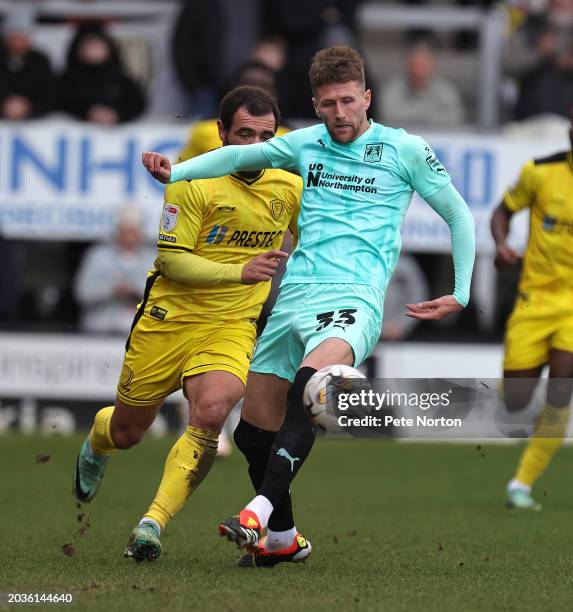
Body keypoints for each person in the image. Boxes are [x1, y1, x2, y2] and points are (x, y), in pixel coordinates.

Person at [142, 45, 475, 565]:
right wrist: (176, 173)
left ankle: (256, 512)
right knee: (253, 431)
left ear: (367, 97)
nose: (339, 114)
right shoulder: (306, 144)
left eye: (347, 101)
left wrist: (462, 290)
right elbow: (234, 156)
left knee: (312, 387)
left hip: (354, 298)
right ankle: (282, 540)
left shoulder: (404, 150)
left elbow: (458, 215)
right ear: (315, 105)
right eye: (327, 104)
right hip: (294, 296)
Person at [72, 86, 303, 563]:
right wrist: (240, 270)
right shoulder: (193, 181)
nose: (254, 146)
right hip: (168, 320)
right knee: (127, 432)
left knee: (214, 411)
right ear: (220, 133)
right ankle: (98, 443)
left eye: (265, 136)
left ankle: (151, 524)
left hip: (232, 323)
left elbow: (321, 237)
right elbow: (172, 262)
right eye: (243, 134)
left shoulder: (289, 186)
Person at [490, 108, 573, 511]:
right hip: (535, 299)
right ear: (570, 133)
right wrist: (503, 244)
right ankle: (528, 410)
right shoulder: (540, 171)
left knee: (563, 381)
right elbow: (502, 212)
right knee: (515, 401)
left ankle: (521, 483)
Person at [74, 207, 156, 334]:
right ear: (117, 231)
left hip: (140, 333)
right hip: (100, 329)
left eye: (132, 231)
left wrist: (136, 292)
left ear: (141, 232)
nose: (128, 236)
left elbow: (162, 297)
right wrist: (112, 289)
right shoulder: (98, 256)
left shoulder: (152, 259)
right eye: (124, 231)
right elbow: (82, 293)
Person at [58, 22, 145, 124]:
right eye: (86, 45)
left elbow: (138, 103)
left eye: (96, 44)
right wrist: (88, 112)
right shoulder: (65, 81)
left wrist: (117, 114)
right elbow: (60, 103)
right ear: (76, 49)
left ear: (108, 48)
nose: (91, 49)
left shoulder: (121, 80)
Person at [380, 40, 465, 128]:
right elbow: (388, 118)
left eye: (423, 64)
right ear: (407, 64)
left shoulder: (447, 90)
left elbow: (455, 119)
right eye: (415, 64)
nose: (419, 71)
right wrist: (430, 115)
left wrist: (413, 115)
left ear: (432, 64)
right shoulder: (392, 89)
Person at [0, 3, 54, 120]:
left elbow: (49, 94)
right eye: (15, 35)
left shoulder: (40, 60)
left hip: (33, 123)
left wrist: (28, 106)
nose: (20, 40)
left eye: (24, 35)